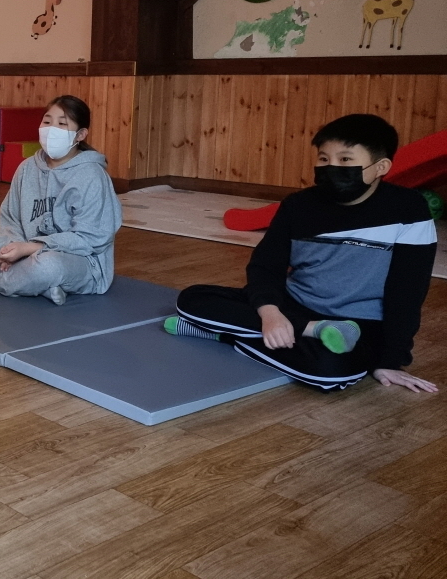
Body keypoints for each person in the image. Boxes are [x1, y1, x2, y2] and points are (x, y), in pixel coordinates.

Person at [168, 113, 437, 393]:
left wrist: (391, 361)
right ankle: (310, 330)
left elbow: (408, 289)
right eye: (324, 159)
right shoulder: (298, 205)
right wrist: (271, 313)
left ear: (381, 166)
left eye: (345, 160)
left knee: (329, 374)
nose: (332, 168)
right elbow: (265, 266)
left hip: (359, 324)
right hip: (294, 305)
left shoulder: (409, 208)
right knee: (192, 298)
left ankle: (224, 335)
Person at [0, 95, 121, 304]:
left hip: (80, 262)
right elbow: (11, 218)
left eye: (62, 124)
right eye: (47, 121)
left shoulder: (92, 175)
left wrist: (30, 248)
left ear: (80, 134)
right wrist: (11, 249)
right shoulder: (27, 168)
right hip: (27, 253)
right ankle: (38, 285)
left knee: (48, 266)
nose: (52, 129)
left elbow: (91, 238)